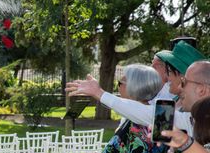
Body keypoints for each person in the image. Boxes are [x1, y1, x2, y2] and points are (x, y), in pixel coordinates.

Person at [66, 41, 207, 136]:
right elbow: (148, 114)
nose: (167, 79)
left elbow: (149, 115)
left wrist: (99, 93)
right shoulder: (182, 109)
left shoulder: (193, 116)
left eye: (170, 72)